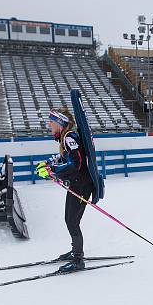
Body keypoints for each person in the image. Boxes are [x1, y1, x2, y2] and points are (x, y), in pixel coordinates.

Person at [35, 108, 94, 272]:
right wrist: (50, 163)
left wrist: (53, 170)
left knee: (72, 221)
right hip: (79, 183)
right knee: (71, 220)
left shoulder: (69, 137)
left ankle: (78, 260)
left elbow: (76, 163)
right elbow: (68, 158)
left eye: (51, 122)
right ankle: (75, 251)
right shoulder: (66, 137)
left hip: (81, 185)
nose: (49, 125)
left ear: (60, 123)